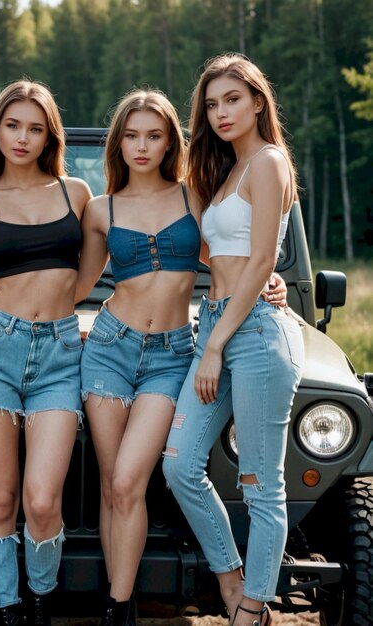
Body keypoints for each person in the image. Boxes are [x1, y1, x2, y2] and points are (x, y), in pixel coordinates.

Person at [162, 53, 304, 626]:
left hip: (253, 337)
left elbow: (264, 254)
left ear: (258, 102)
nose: (222, 113)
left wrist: (217, 343)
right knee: (179, 466)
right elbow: (217, 253)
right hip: (218, 323)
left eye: (233, 100)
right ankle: (230, 577)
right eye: (213, 104)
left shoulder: (268, 161)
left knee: (261, 486)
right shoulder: (226, 174)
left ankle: (252, 608)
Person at [0, 80, 92, 626]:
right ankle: (9, 612)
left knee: (40, 500)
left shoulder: (75, 193)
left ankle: (40, 598)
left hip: (60, 352)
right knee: (1, 499)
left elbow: (105, 267)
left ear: (48, 135)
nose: (23, 138)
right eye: (13, 125)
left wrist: (56, 310)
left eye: (35, 128)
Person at [73, 89, 201, 626]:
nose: (141, 146)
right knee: (111, 483)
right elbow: (76, 284)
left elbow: (233, 259)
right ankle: (117, 597)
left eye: (153, 135)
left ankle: (117, 607)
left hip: (171, 357)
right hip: (107, 349)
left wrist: (269, 284)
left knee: (128, 481)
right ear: (117, 142)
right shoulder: (101, 210)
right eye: (131, 135)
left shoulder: (198, 198)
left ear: (171, 140)